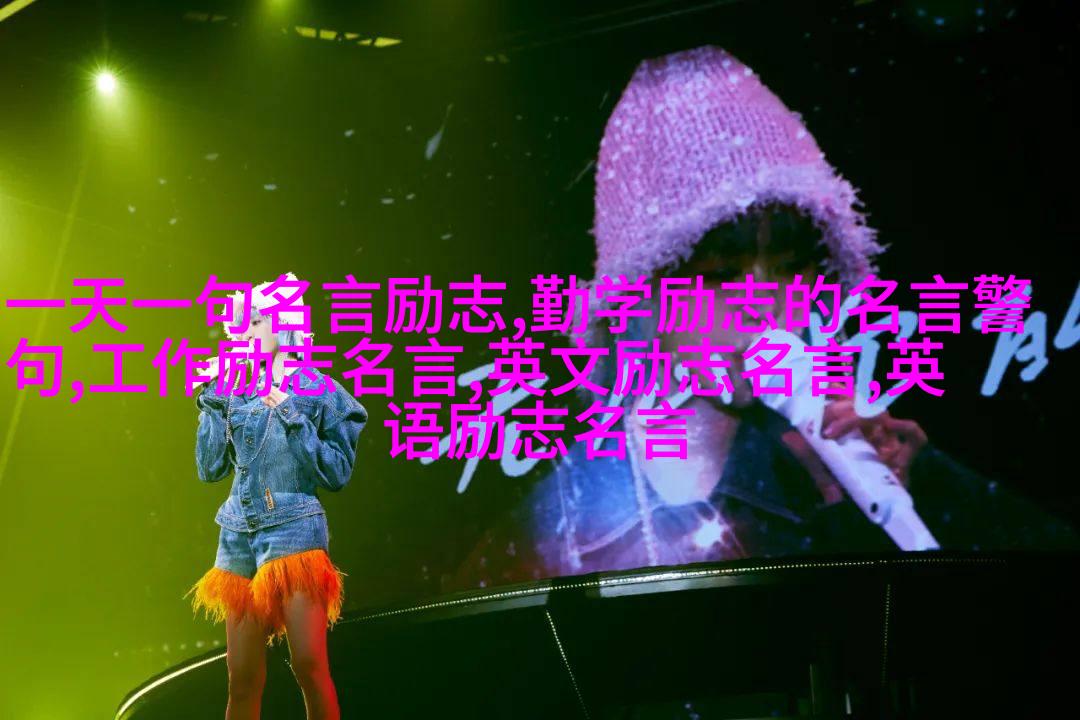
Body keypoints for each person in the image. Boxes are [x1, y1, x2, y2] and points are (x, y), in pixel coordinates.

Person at [451, 46, 1077, 589]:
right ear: (639, 293)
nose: (762, 302)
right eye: (720, 273)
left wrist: (932, 492)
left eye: (791, 266)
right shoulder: (563, 516)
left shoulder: (842, 458)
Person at [184, 272, 368, 720]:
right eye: (240, 325)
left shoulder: (318, 389)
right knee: (241, 677)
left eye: (255, 323)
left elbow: (337, 472)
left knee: (308, 664)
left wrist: (288, 410)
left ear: (283, 324)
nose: (244, 333)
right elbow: (209, 469)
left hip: (294, 532)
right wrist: (210, 402)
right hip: (237, 537)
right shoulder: (231, 389)